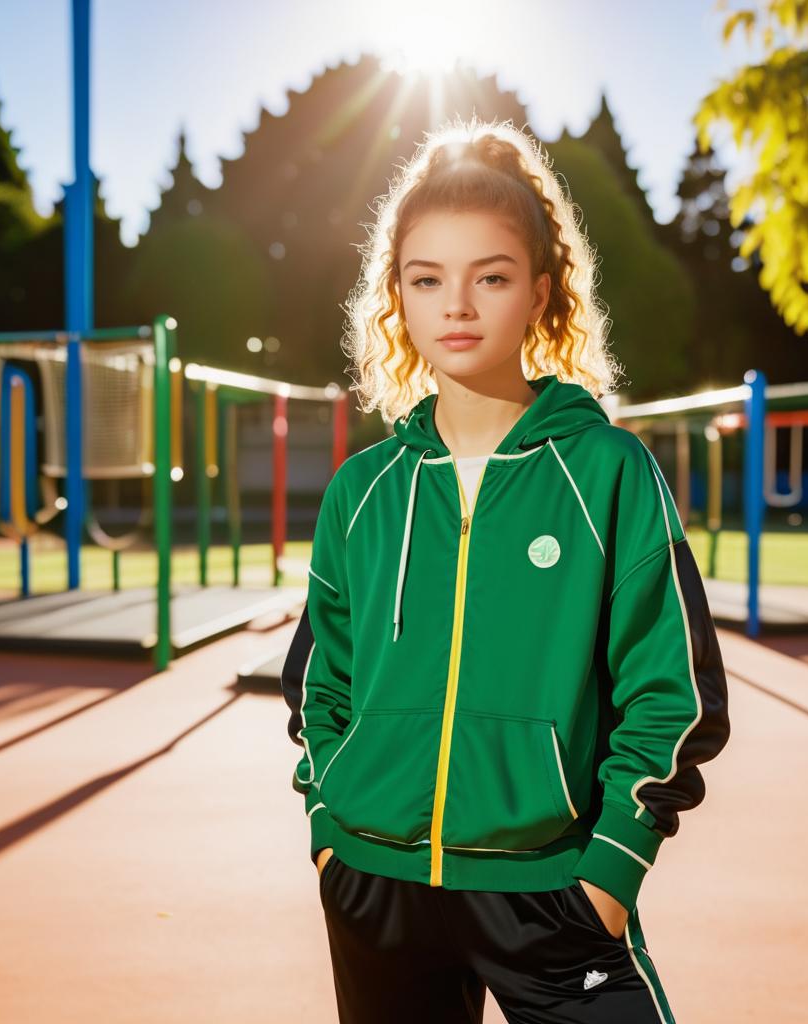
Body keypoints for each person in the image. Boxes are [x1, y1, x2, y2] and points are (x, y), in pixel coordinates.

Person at [283, 115, 731, 1023]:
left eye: (489, 277)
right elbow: (318, 684)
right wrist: (332, 832)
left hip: (554, 890)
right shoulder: (361, 492)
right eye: (427, 279)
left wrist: (612, 865)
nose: (457, 305)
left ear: (539, 292)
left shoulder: (605, 471)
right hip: (376, 885)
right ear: (397, 299)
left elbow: (674, 693)